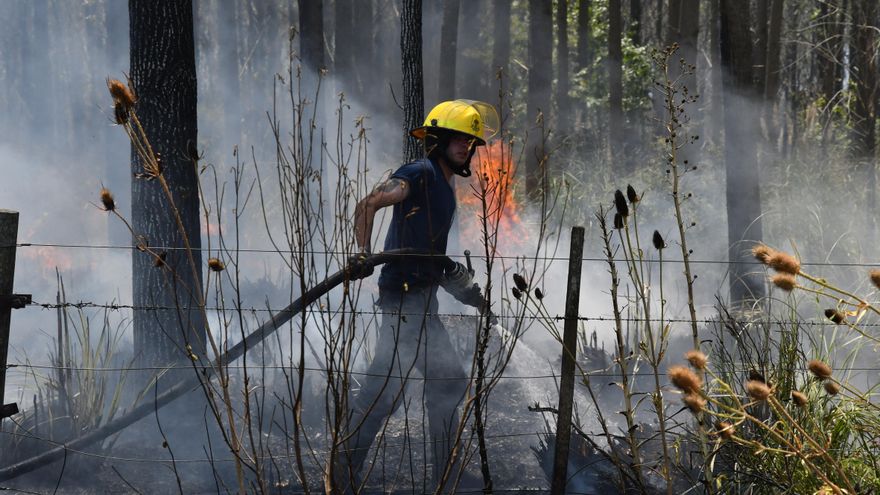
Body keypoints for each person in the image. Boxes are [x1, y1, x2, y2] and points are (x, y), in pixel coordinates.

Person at [341, 100, 497, 491]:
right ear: (439, 138)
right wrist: (362, 254)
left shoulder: (443, 183)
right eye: (459, 138)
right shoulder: (420, 173)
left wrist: (460, 284)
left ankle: (446, 477)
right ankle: (341, 475)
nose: (466, 146)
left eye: (471, 141)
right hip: (404, 302)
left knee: (445, 382)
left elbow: (425, 250)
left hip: (421, 301)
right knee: (382, 394)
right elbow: (369, 203)